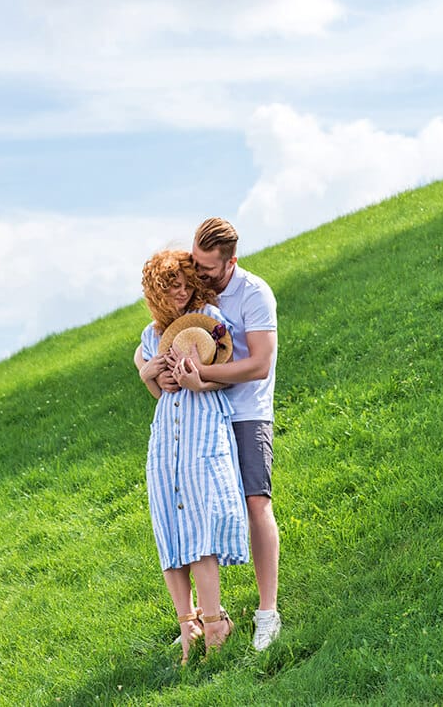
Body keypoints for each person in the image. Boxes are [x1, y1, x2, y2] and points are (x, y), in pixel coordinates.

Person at [140, 219, 281, 651]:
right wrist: (147, 369)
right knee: (189, 511)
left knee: (256, 503)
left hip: (245, 410)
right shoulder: (188, 302)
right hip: (197, 419)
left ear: (230, 263)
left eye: (205, 271)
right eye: (193, 266)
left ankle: (266, 613)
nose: (198, 277)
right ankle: (199, 618)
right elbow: (153, 346)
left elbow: (258, 364)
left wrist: (202, 378)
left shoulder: (253, 294)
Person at [134, 249, 249, 665]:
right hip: (167, 434)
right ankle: (188, 626)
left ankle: (216, 622)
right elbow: (158, 392)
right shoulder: (151, 336)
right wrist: (149, 372)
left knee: (200, 521)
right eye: (170, 288)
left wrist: (196, 378)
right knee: (169, 523)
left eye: (184, 283)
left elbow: (226, 372)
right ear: (156, 294)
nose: (180, 293)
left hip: (203, 426)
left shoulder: (211, 321)